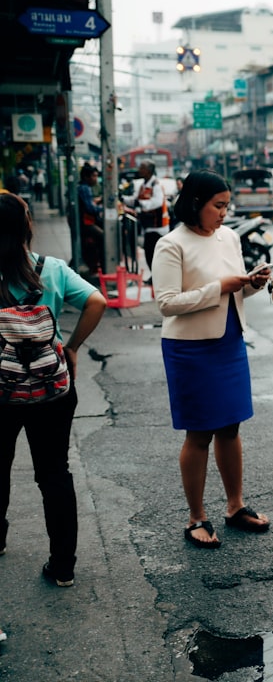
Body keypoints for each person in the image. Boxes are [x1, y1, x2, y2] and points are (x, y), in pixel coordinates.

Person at [152, 170, 273, 550]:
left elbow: (232, 294)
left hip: (229, 340)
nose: (224, 212)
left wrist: (251, 285)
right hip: (190, 348)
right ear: (195, 204)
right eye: (218, 206)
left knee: (231, 427)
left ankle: (235, 506)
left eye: (226, 205)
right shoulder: (171, 244)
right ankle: (196, 517)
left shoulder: (230, 236)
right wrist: (218, 287)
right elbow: (167, 303)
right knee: (199, 433)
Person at [0, 192, 107, 587]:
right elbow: (97, 301)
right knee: (54, 473)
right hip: (51, 388)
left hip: (1, 390)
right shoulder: (52, 269)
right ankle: (63, 566)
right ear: (28, 227)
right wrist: (72, 347)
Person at [134, 161, 168, 279]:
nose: (139, 170)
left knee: (152, 253)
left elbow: (157, 202)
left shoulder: (156, 185)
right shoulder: (143, 185)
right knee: (150, 253)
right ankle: (156, 277)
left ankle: (158, 277)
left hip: (158, 226)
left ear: (148, 171)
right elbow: (136, 199)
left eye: (141, 168)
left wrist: (141, 203)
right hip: (148, 225)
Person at [77, 164, 105, 274]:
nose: (96, 179)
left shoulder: (84, 187)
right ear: (86, 177)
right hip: (86, 223)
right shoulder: (85, 188)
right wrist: (102, 208)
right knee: (103, 237)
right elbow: (90, 208)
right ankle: (103, 265)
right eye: (94, 176)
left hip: (86, 221)